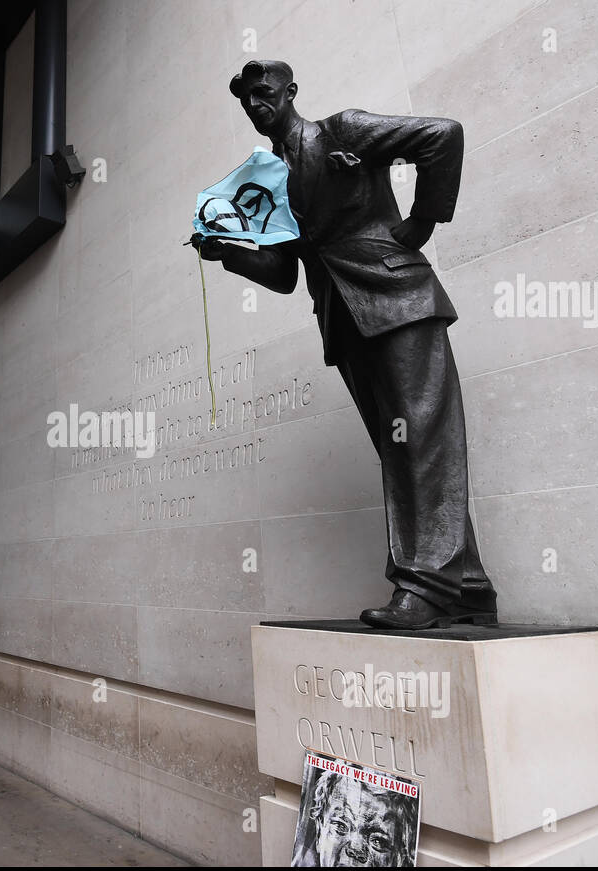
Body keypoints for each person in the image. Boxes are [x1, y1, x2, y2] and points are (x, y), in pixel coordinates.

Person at [192, 59, 498, 629]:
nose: (256, 105)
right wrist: (227, 251)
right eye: (247, 101)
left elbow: (443, 135)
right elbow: (283, 272)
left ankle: (426, 588)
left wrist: (421, 224)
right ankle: (470, 588)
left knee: (420, 439)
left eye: (263, 93)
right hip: (343, 316)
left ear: (289, 92)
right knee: (405, 449)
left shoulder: (343, 130)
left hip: (397, 298)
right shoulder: (270, 180)